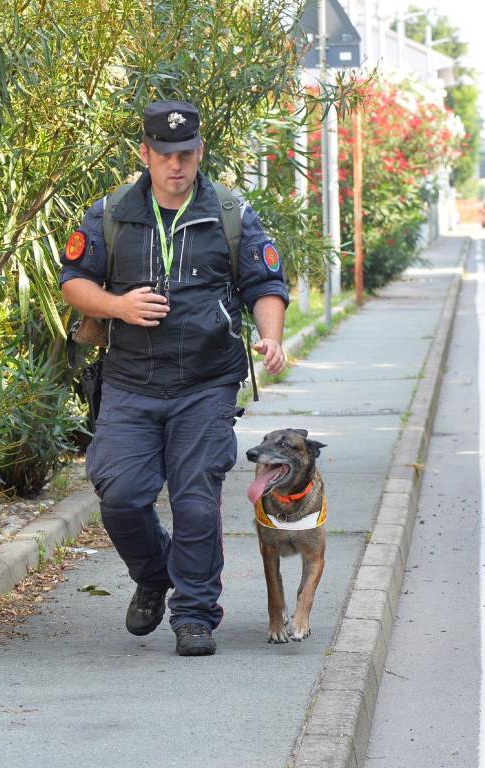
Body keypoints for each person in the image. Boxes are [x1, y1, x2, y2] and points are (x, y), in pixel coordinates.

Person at [60, 100, 288, 656]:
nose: (176, 165)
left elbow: (265, 282)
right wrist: (117, 306)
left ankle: (194, 615)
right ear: (146, 154)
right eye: (165, 155)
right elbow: (73, 281)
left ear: (200, 152)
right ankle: (155, 573)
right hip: (130, 381)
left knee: (194, 501)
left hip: (205, 383)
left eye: (186, 154)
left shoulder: (230, 212)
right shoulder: (112, 212)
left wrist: (271, 336)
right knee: (120, 494)